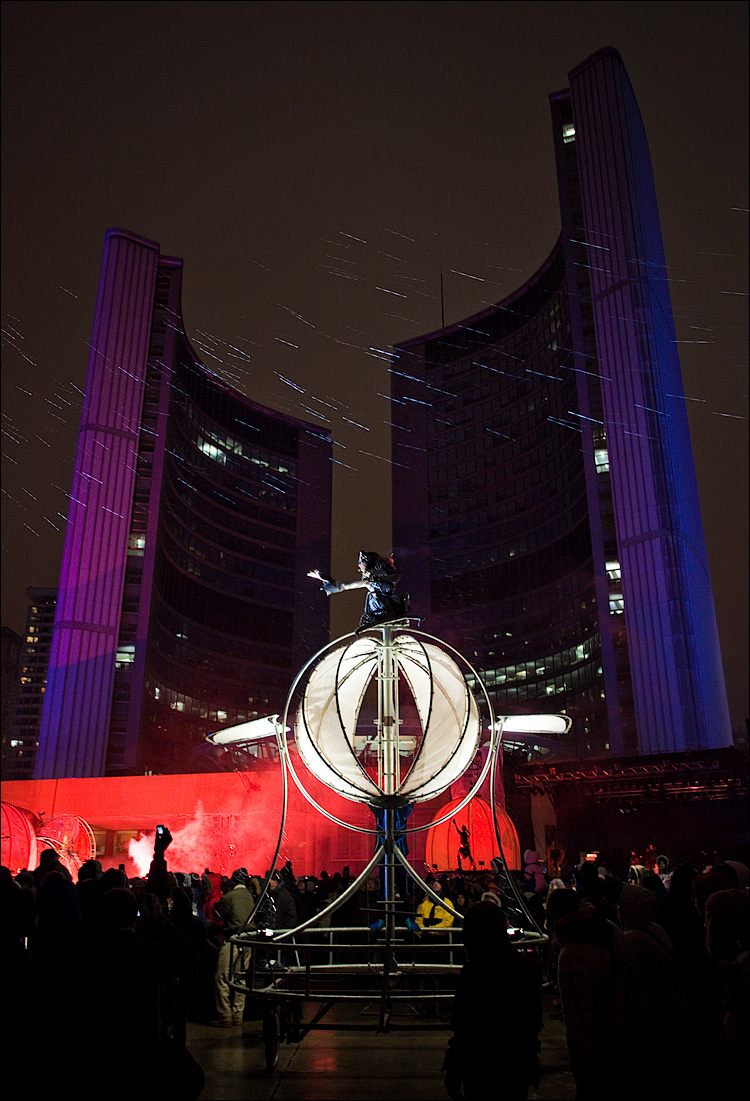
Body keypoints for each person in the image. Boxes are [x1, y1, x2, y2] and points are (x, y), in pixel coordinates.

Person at [546, 888, 647, 1101]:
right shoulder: (611, 930)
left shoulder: (572, 954)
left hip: (601, 1053)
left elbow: (579, 1022)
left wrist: (582, 1071)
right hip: (632, 1035)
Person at [444, 900, 542, 1100]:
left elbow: (463, 1024)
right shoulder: (519, 968)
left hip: (480, 1062)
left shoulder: (473, 973)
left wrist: (454, 1066)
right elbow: (531, 1018)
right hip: (514, 1061)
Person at [308, 550, 411, 630]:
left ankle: (382, 616)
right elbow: (346, 585)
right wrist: (328, 580)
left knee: (373, 596)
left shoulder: (381, 581)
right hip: (384, 607)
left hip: (388, 609)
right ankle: (378, 616)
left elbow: (347, 585)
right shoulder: (371, 582)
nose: (359, 565)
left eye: (361, 562)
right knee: (371, 596)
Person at [211, 868, 256, 1026]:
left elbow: (216, 914)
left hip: (233, 940)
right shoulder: (249, 896)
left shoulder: (230, 896)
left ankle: (225, 1014)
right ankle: (238, 1015)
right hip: (249, 941)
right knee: (239, 977)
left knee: (221, 976)